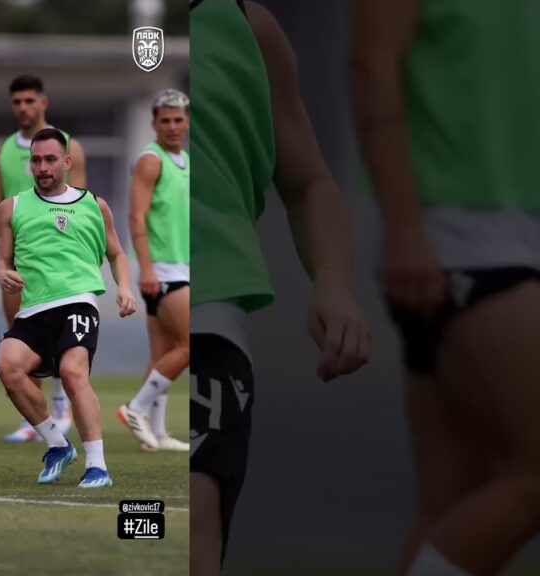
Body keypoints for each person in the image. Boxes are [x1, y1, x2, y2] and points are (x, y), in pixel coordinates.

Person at [352, 1, 540, 574]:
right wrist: (404, 228)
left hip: (509, 234)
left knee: (456, 497)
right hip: (463, 238)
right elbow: (372, 68)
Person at [189, 1, 371, 573]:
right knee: (126, 529)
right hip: (91, 321)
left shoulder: (247, 27)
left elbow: (310, 182)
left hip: (202, 320)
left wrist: (334, 282)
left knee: (187, 535)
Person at [0, 128, 136, 488]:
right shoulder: (12, 207)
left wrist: (124, 288)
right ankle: (57, 444)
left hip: (77, 303)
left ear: (67, 162)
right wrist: (1, 273)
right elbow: (3, 260)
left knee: (73, 373)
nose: (42, 167)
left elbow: (117, 253)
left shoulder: (95, 205)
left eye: (50, 159)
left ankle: (98, 466)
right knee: (8, 366)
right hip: (32, 310)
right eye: (36, 160)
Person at [0, 74, 87, 442]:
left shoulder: (69, 146)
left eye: (29, 100)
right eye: (17, 102)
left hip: (57, 261)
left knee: (61, 335)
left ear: (43, 103)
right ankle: (35, 421)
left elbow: (82, 204)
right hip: (16, 261)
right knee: (21, 338)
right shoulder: (3, 152)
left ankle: (61, 403)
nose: (23, 108)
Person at [116, 88, 191, 452]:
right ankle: (135, 408)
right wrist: (145, 268)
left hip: (179, 267)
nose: (173, 126)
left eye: (178, 120)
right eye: (166, 121)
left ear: (187, 122)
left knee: (163, 353)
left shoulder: (184, 161)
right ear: (154, 124)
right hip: (161, 271)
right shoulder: (151, 160)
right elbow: (136, 217)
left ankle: (158, 434)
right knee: (190, 345)